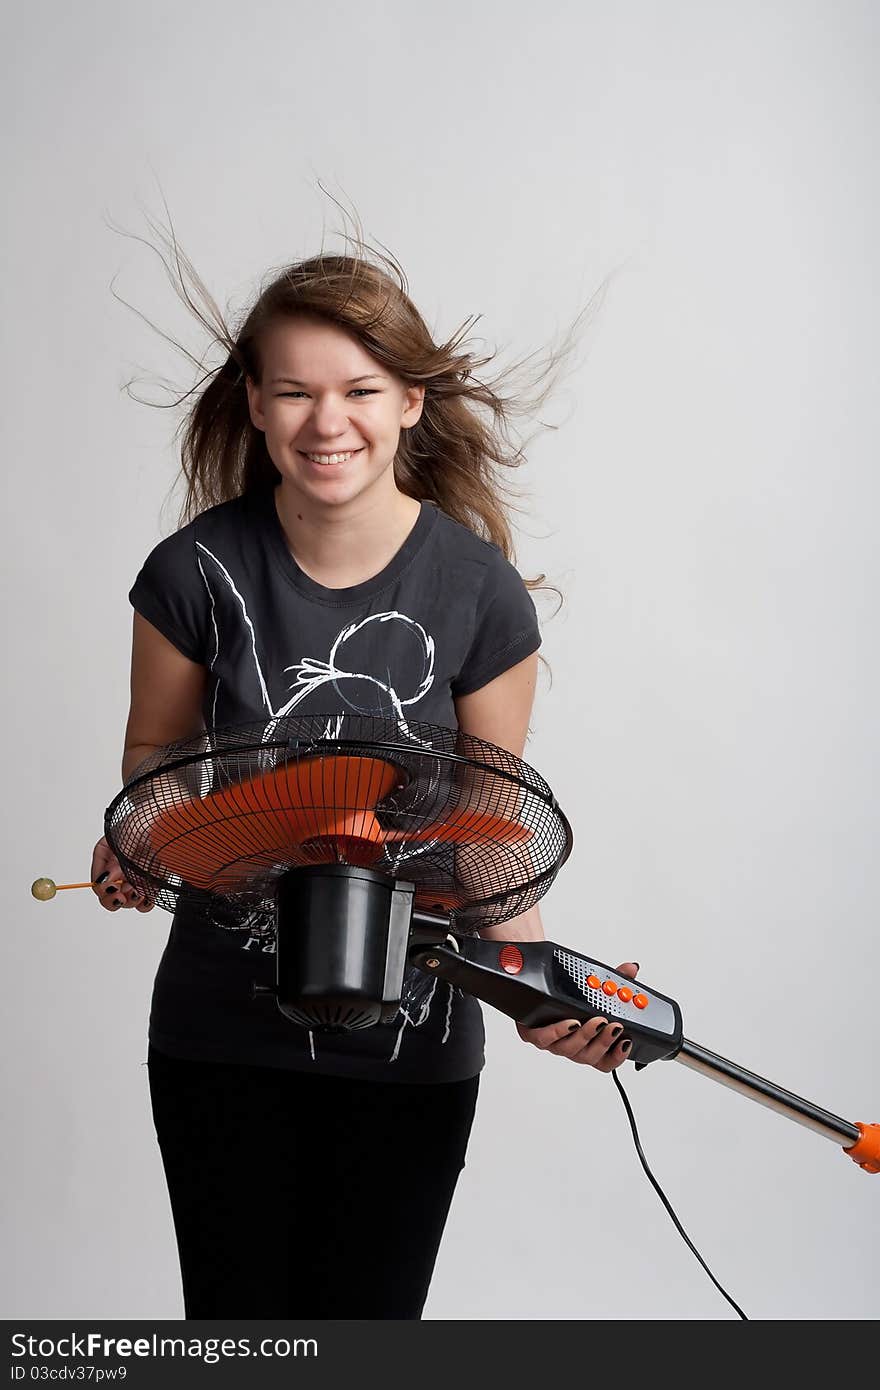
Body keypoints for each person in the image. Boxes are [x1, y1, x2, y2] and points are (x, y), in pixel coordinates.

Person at [89, 235, 637, 1319]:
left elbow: (493, 819)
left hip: (414, 1045)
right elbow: (152, 754)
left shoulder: (478, 590)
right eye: (292, 390)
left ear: (409, 405)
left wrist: (546, 988)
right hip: (219, 1031)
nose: (324, 420)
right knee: (236, 1331)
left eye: (358, 389)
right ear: (252, 405)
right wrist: (145, 830)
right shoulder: (193, 572)